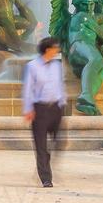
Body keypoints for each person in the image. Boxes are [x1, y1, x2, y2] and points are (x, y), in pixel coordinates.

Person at [21, 36, 66, 188]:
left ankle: (45, 161)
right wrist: (28, 109)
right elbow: (28, 88)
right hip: (39, 109)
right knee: (41, 145)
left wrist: (62, 103)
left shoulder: (57, 65)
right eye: (55, 48)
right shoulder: (32, 66)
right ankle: (46, 177)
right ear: (48, 49)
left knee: (59, 142)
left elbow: (60, 85)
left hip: (56, 108)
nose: (57, 50)